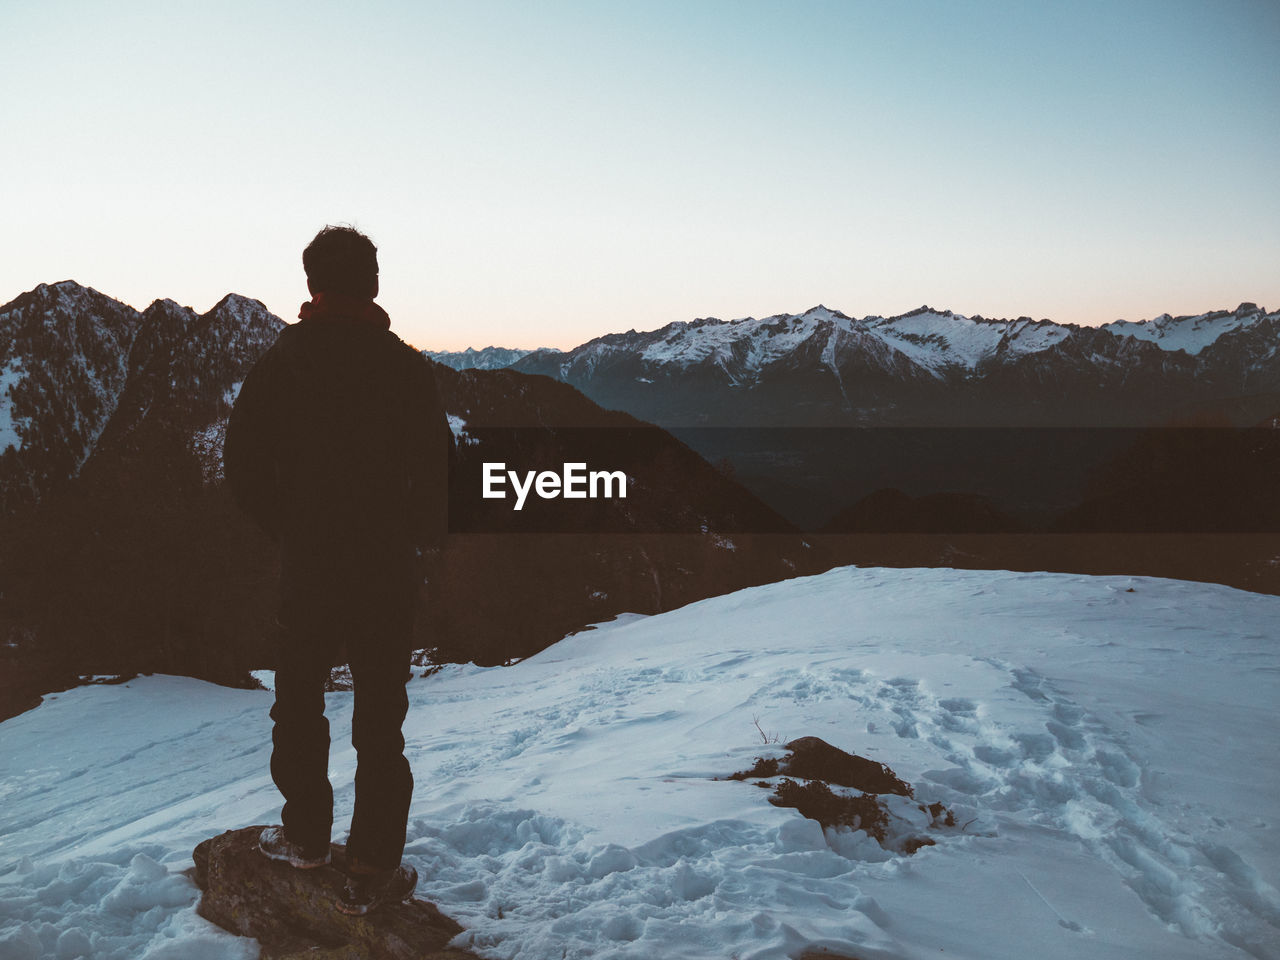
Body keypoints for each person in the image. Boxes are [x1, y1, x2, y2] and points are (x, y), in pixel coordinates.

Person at [224, 224, 452, 915]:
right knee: (381, 714)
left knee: (298, 700)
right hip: (384, 566)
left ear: (312, 284)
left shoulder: (282, 364)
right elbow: (441, 474)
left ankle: (307, 839)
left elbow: (241, 466)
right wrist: (420, 541)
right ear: (373, 285)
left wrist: (288, 527)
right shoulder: (404, 367)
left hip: (311, 562)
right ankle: (373, 863)